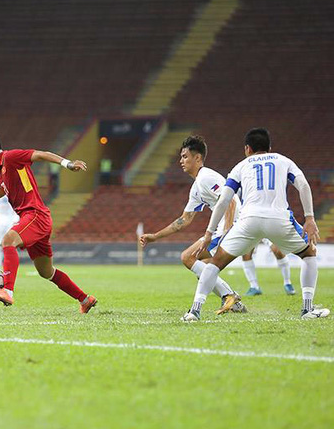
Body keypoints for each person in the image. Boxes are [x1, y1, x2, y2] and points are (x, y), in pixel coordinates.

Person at [185, 127, 329, 321]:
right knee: (309, 253)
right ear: (269, 147)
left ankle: (194, 311)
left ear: (247, 149)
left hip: (248, 220)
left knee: (216, 263)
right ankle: (307, 309)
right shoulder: (283, 160)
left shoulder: (241, 166)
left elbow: (224, 201)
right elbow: (303, 185)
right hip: (278, 218)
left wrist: (210, 232)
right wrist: (310, 218)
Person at [0, 130, 97, 313]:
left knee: (7, 240)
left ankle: (7, 290)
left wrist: (67, 163)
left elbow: (40, 154)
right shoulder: (0, 169)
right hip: (34, 219)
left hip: (35, 215)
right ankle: (85, 299)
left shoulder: (10, 157)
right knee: (46, 272)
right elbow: (3, 188)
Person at [140, 135, 246, 314]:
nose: (181, 161)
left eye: (185, 156)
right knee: (201, 266)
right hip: (227, 226)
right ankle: (232, 300)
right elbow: (184, 220)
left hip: (233, 224)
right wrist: (154, 237)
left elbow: (230, 201)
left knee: (187, 257)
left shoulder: (206, 177)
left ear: (198, 158)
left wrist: (227, 231)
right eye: (181, 157)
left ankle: (228, 296)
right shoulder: (197, 186)